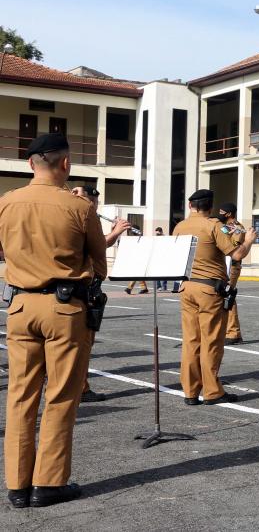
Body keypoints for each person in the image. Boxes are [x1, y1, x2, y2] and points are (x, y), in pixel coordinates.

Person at [1, 133, 107, 508]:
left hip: (18, 307)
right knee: (60, 396)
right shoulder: (78, 207)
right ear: (66, 164)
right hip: (64, 309)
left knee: (20, 397)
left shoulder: (6, 203)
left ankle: (17, 485)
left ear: (30, 163)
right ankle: (48, 483)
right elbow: (100, 265)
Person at [173, 189, 257, 406]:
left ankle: (190, 391)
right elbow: (236, 254)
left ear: (191, 205)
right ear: (209, 207)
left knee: (191, 341)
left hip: (186, 286)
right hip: (209, 289)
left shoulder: (179, 226)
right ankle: (212, 391)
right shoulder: (213, 226)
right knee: (210, 341)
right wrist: (248, 241)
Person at [70, 185, 130, 404]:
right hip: (84, 288)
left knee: (82, 343)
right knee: (83, 343)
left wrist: (113, 233)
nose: (93, 206)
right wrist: (115, 231)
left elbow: (101, 245)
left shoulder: (83, 215)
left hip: (89, 287)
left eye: (94, 202)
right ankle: (81, 389)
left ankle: (78, 386)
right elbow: (94, 246)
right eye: (91, 201)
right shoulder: (80, 215)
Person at [217, 203, 246, 345]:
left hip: (232, 266)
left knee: (228, 296)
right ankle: (228, 331)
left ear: (228, 213)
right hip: (223, 264)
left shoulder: (237, 227)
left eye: (221, 211)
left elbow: (235, 247)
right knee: (222, 297)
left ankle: (233, 332)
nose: (219, 213)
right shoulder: (224, 226)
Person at [124, 227, 149, 295]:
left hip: (139, 259)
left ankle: (129, 288)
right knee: (137, 274)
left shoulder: (140, 239)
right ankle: (144, 288)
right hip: (136, 258)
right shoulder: (135, 239)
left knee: (136, 273)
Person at [154, 227, 170, 292]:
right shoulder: (155, 239)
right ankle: (159, 287)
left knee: (164, 273)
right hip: (157, 257)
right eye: (156, 234)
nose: (157, 235)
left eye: (158, 234)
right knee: (156, 273)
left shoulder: (165, 238)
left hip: (164, 257)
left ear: (161, 232)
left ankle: (164, 286)